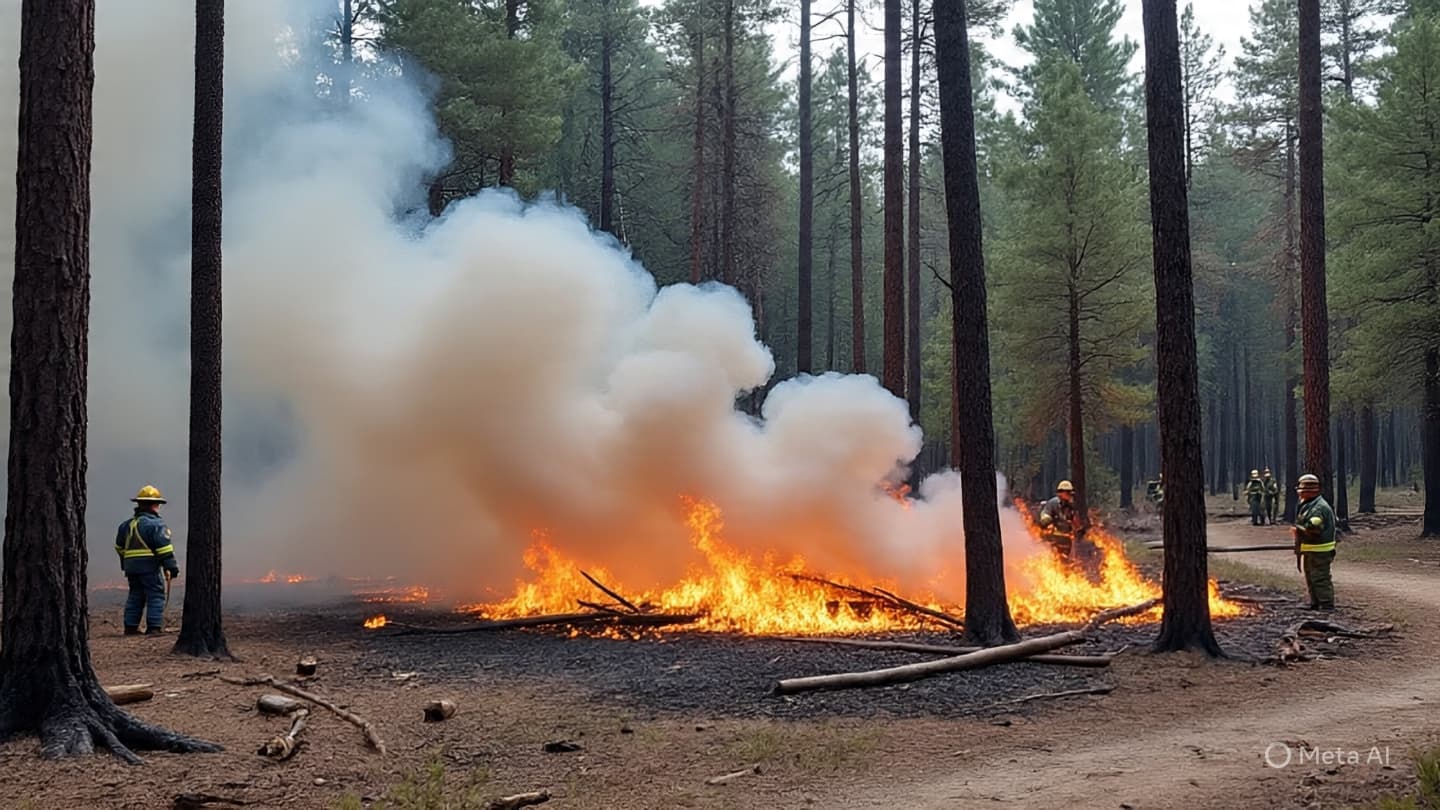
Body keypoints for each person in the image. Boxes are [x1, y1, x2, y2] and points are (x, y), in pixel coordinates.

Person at [115, 485, 180, 635]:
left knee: (136, 594)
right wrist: (171, 567)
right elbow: (164, 549)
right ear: (155, 505)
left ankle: (130, 627)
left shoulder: (125, 525)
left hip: (131, 568)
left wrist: (126, 563)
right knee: (156, 594)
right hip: (149, 567)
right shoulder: (156, 525)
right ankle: (154, 627)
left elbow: (119, 547)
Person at [1293, 473, 1337, 611]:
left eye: (1302, 490)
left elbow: (1314, 528)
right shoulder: (1309, 504)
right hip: (1311, 549)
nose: (1299, 493)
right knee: (1311, 577)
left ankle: (1326, 605)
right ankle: (1315, 603)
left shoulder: (1318, 508)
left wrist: (1298, 530)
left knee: (1320, 578)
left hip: (1320, 550)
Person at [1037, 480, 1079, 561]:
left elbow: (1074, 520)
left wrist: (1078, 529)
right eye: (1068, 492)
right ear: (1061, 493)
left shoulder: (1071, 506)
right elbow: (1045, 515)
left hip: (1066, 539)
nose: (1070, 495)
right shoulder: (1052, 503)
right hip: (1053, 538)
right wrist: (1047, 519)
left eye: (1071, 493)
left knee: (1064, 560)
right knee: (1053, 559)